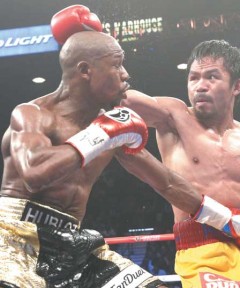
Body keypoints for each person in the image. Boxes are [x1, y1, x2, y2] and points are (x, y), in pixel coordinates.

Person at [0, 5, 204, 288]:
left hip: (73, 245)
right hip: (14, 238)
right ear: (86, 70)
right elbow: (35, 173)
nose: (125, 74)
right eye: (117, 64)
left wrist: (229, 220)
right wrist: (100, 134)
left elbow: (167, 182)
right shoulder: (32, 115)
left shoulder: (111, 127)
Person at [118, 39, 240, 287]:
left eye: (212, 77)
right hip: (203, 251)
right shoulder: (173, 116)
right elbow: (120, 101)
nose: (200, 86)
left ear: (236, 86)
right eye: (193, 78)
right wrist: (105, 68)